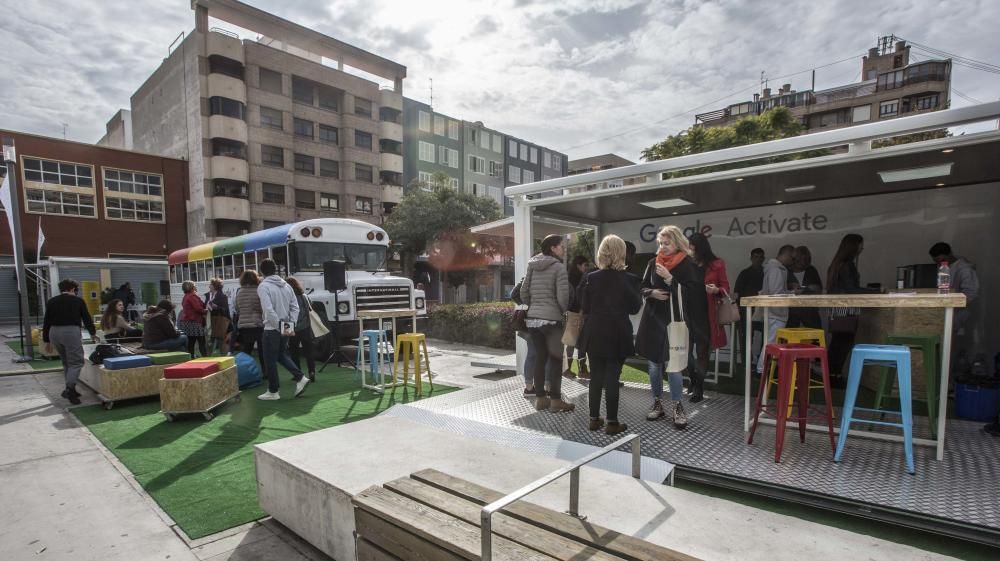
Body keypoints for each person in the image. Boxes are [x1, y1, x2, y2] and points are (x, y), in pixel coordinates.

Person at [635, 226, 709, 428]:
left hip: (675, 321)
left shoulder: (687, 263)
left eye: (666, 243)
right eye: (660, 243)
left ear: (676, 243)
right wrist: (651, 293)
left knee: (674, 365)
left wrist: (670, 280)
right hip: (652, 320)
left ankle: (678, 406)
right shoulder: (653, 262)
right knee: (654, 364)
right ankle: (657, 403)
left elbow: (694, 294)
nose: (662, 247)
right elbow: (641, 287)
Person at [577, 235, 641, 435]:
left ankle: (594, 420)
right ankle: (612, 423)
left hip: (594, 331)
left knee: (596, 377)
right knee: (612, 378)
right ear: (622, 253)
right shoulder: (630, 279)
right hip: (617, 332)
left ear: (601, 253)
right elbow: (634, 308)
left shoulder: (590, 277)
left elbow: (584, 305)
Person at [521, 234, 574, 412]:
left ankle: (540, 399)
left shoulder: (532, 265)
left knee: (540, 357)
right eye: (561, 246)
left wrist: (533, 306)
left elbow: (523, 292)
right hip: (552, 320)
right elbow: (563, 297)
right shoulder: (559, 267)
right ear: (552, 248)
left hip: (533, 320)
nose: (563, 249)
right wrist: (561, 311)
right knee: (556, 360)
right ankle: (556, 401)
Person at [256, 258, 309, 400]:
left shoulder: (263, 286)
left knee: (270, 360)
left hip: (271, 328)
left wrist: (278, 326)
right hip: (286, 325)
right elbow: (295, 307)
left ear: (261, 271)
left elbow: (268, 310)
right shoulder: (286, 285)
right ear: (276, 269)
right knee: (280, 355)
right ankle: (300, 377)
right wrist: (289, 324)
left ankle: (274, 391)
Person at [826, 234, 878, 374]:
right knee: (843, 344)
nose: (862, 248)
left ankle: (831, 375)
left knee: (837, 343)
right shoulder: (847, 265)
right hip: (846, 309)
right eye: (861, 245)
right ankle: (834, 375)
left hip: (837, 309)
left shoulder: (837, 264)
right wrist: (875, 292)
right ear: (854, 246)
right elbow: (852, 289)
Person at [689, 232, 729, 402]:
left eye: (691, 246)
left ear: (699, 247)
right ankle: (693, 379)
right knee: (685, 353)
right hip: (687, 314)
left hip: (706, 315)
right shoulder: (686, 263)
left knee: (702, 353)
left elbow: (725, 288)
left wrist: (715, 290)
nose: (688, 249)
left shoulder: (717, 264)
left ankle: (699, 387)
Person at [43, 279, 97, 405]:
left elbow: (46, 321)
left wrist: (47, 340)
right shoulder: (78, 301)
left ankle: (71, 388)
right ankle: (69, 390)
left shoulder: (51, 301)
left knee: (66, 361)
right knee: (76, 362)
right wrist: (93, 333)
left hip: (54, 332)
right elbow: (86, 318)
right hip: (70, 332)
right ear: (73, 289)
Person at [929, 242, 981, 372]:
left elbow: (971, 293)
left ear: (950, 254)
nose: (940, 264)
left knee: (954, 351)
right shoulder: (945, 267)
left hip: (959, 314)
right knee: (946, 349)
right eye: (937, 262)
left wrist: (952, 303)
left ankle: (951, 383)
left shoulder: (964, 269)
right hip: (947, 313)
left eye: (942, 260)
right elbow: (943, 289)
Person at [756, 245, 796, 375]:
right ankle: (762, 369)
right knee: (771, 342)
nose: (792, 261)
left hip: (774, 311)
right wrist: (791, 294)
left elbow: (775, 290)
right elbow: (775, 292)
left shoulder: (774, 268)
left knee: (770, 341)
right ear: (787, 254)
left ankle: (763, 369)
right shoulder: (776, 269)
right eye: (792, 257)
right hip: (776, 311)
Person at [734, 248, 765, 363]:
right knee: (747, 336)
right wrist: (738, 310)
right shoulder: (744, 273)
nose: (758, 259)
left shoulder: (766, 272)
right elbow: (737, 292)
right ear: (751, 258)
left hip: (763, 310)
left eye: (760, 257)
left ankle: (762, 360)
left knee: (766, 336)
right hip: (746, 311)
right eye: (756, 257)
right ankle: (746, 361)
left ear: (763, 259)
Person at [563, 255, 591, 380]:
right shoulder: (571, 280)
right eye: (585, 265)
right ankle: (567, 369)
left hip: (583, 314)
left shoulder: (585, 278)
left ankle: (583, 369)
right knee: (571, 342)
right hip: (574, 314)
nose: (587, 268)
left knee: (583, 343)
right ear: (578, 265)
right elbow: (572, 299)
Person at [287, 276, 317, 381]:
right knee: (308, 351)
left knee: (293, 351)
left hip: (291, 327)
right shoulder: (304, 295)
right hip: (305, 326)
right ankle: (312, 371)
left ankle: (298, 374)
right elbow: (310, 308)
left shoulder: (287, 297)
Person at [786, 245, 823, 329]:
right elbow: (780, 289)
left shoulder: (811, 270)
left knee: (815, 336)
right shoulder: (787, 271)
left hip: (809, 310)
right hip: (791, 311)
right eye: (801, 260)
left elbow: (819, 289)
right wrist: (791, 287)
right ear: (795, 259)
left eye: (806, 260)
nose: (803, 262)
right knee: (790, 338)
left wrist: (808, 288)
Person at [234, 270, 264, 360]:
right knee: (262, 351)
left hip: (244, 325)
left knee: (246, 350)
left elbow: (237, 308)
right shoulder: (258, 291)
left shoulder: (239, 292)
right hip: (258, 324)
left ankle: (243, 371)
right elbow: (262, 309)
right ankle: (266, 372)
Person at [177, 281, 209, 357]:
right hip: (194, 322)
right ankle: (205, 358)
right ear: (192, 287)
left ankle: (191, 358)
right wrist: (207, 311)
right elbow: (198, 309)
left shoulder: (185, 296)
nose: (195, 287)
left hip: (187, 322)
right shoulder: (192, 296)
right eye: (194, 285)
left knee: (191, 342)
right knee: (201, 342)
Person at [204, 278, 231, 355]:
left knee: (221, 343)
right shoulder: (208, 296)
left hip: (219, 323)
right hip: (209, 322)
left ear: (215, 286)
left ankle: (226, 360)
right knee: (209, 343)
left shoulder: (222, 296)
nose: (209, 286)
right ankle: (208, 361)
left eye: (210, 285)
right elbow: (205, 307)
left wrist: (216, 307)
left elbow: (225, 310)